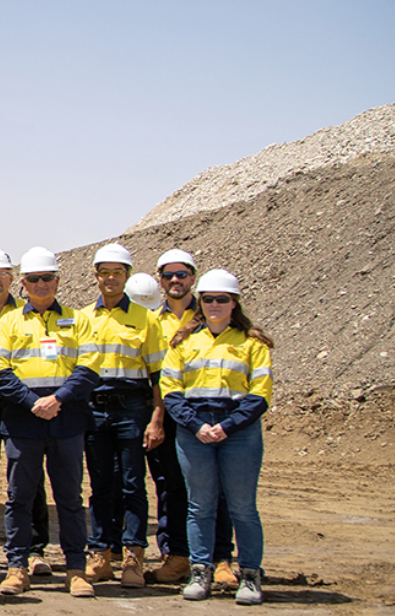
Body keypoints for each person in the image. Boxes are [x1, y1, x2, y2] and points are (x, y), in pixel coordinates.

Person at [0, 247, 100, 598]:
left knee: (69, 498)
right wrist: (33, 402)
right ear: (22, 283)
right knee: (19, 497)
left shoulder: (79, 320)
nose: (40, 284)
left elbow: (90, 368)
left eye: (47, 278)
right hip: (24, 421)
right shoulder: (9, 322)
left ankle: (76, 570)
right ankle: (17, 566)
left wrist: (58, 399)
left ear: (58, 281)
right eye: (33, 279)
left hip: (66, 420)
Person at [161, 269, 273, 605]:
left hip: (237, 431)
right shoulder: (184, 342)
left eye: (221, 299)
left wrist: (228, 426)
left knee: (242, 508)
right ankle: (200, 571)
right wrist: (195, 425)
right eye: (208, 299)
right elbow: (170, 389)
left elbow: (260, 393)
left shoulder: (252, 343)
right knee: (200, 506)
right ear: (200, 302)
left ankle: (250, 575)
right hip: (195, 429)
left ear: (234, 302)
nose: (214, 305)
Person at [148, 249, 236, 586]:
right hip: (168, 413)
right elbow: (153, 375)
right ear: (159, 279)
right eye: (168, 275)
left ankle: (221, 559)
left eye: (181, 274)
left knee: (218, 489)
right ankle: (178, 556)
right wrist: (156, 418)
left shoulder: (212, 315)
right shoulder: (153, 321)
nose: (175, 280)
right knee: (171, 487)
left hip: (209, 415)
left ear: (193, 279)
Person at [81, 244, 168, 588]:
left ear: (127, 276)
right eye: (105, 272)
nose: (111, 278)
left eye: (118, 272)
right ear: (97, 276)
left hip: (133, 407)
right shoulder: (84, 317)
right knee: (100, 484)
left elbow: (159, 374)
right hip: (95, 407)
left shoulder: (146, 319)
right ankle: (101, 552)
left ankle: (134, 554)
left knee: (133, 484)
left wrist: (157, 417)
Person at [0, 247, 50, 577]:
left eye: (2, 275)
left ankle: (34, 549)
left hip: (21, 404)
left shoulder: (29, 312)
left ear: (13, 278)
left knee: (29, 477)